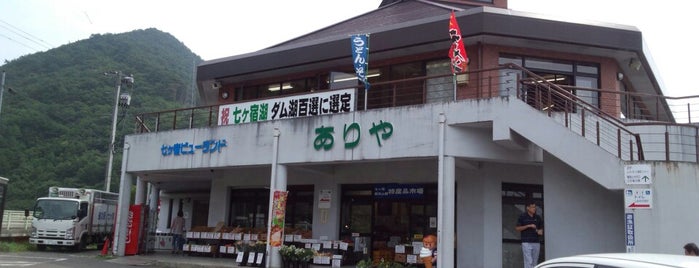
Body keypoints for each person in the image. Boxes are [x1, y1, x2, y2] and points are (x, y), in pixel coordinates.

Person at [516, 201, 544, 268]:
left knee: (535, 262)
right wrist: (528, 226)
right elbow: (517, 228)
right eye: (532, 207)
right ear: (528, 208)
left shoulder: (538, 217)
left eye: (535, 207)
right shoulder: (522, 216)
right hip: (526, 242)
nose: (534, 209)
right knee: (529, 262)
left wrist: (537, 230)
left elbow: (541, 232)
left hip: (536, 242)